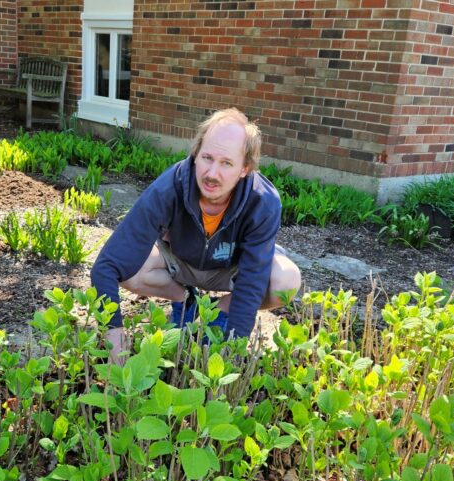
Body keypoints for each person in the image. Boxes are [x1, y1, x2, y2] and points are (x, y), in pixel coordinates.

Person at [90, 108, 301, 360]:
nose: (212, 174)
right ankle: (186, 300)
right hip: (181, 263)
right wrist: (116, 345)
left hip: (231, 269)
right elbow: (106, 265)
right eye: (207, 158)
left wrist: (231, 353)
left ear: (245, 168)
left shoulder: (263, 202)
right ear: (195, 154)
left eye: (226, 163)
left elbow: (252, 280)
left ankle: (217, 310)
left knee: (286, 282)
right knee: (128, 266)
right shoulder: (168, 188)